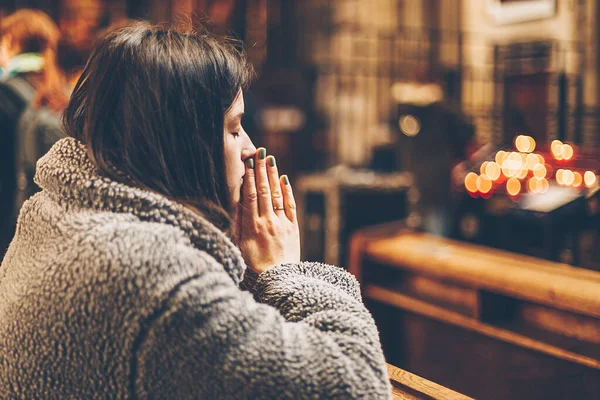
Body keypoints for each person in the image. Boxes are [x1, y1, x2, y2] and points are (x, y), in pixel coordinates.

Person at [0, 22, 392, 399]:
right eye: (235, 128)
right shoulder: (155, 277)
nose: (250, 149)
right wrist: (283, 272)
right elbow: (357, 386)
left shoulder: (53, 212)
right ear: (183, 141)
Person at [0, 9, 60, 256]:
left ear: (12, 42)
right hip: (44, 219)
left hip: (8, 215)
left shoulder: (5, 93)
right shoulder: (58, 91)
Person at [13, 38, 89, 221]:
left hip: (42, 210)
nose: (42, 75)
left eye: (46, 69)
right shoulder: (49, 109)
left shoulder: (52, 117)